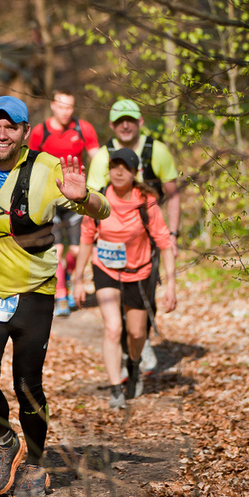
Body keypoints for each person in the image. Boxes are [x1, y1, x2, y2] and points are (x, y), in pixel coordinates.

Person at [0, 95, 109, 497]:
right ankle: (5, 442)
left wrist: (83, 196)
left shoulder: (48, 169)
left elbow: (101, 211)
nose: (2, 133)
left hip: (33, 293)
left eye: (11, 126)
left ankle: (34, 460)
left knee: (27, 384)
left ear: (25, 132)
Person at [73, 147, 177, 409]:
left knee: (136, 332)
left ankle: (133, 364)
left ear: (135, 172)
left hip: (138, 272)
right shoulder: (97, 199)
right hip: (105, 270)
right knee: (112, 328)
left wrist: (171, 284)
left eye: (126, 167)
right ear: (109, 169)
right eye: (115, 166)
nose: (119, 172)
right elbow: (86, 238)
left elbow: (164, 242)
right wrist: (77, 278)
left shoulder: (146, 201)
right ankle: (115, 387)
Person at [86, 99, 181, 371]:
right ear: (112, 125)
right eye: (119, 121)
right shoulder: (103, 157)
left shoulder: (157, 152)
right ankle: (123, 345)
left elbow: (173, 196)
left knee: (145, 296)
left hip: (147, 239)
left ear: (140, 122)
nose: (125, 125)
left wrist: (172, 235)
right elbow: (91, 201)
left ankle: (141, 341)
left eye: (130, 119)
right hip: (109, 243)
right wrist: (91, 240)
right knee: (115, 309)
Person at [28, 90, 100, 317]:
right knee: (56, 249)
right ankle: (60, 295)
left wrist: (98, 189)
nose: (65, 111)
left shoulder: (83, 129)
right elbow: (30, 162)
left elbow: (98, 159)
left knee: (78, 251)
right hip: (49, 197)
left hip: (76, 198)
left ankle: (66, 277)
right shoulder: (41, 131)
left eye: (69, 107)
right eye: (61, 106)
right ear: (52, 106)